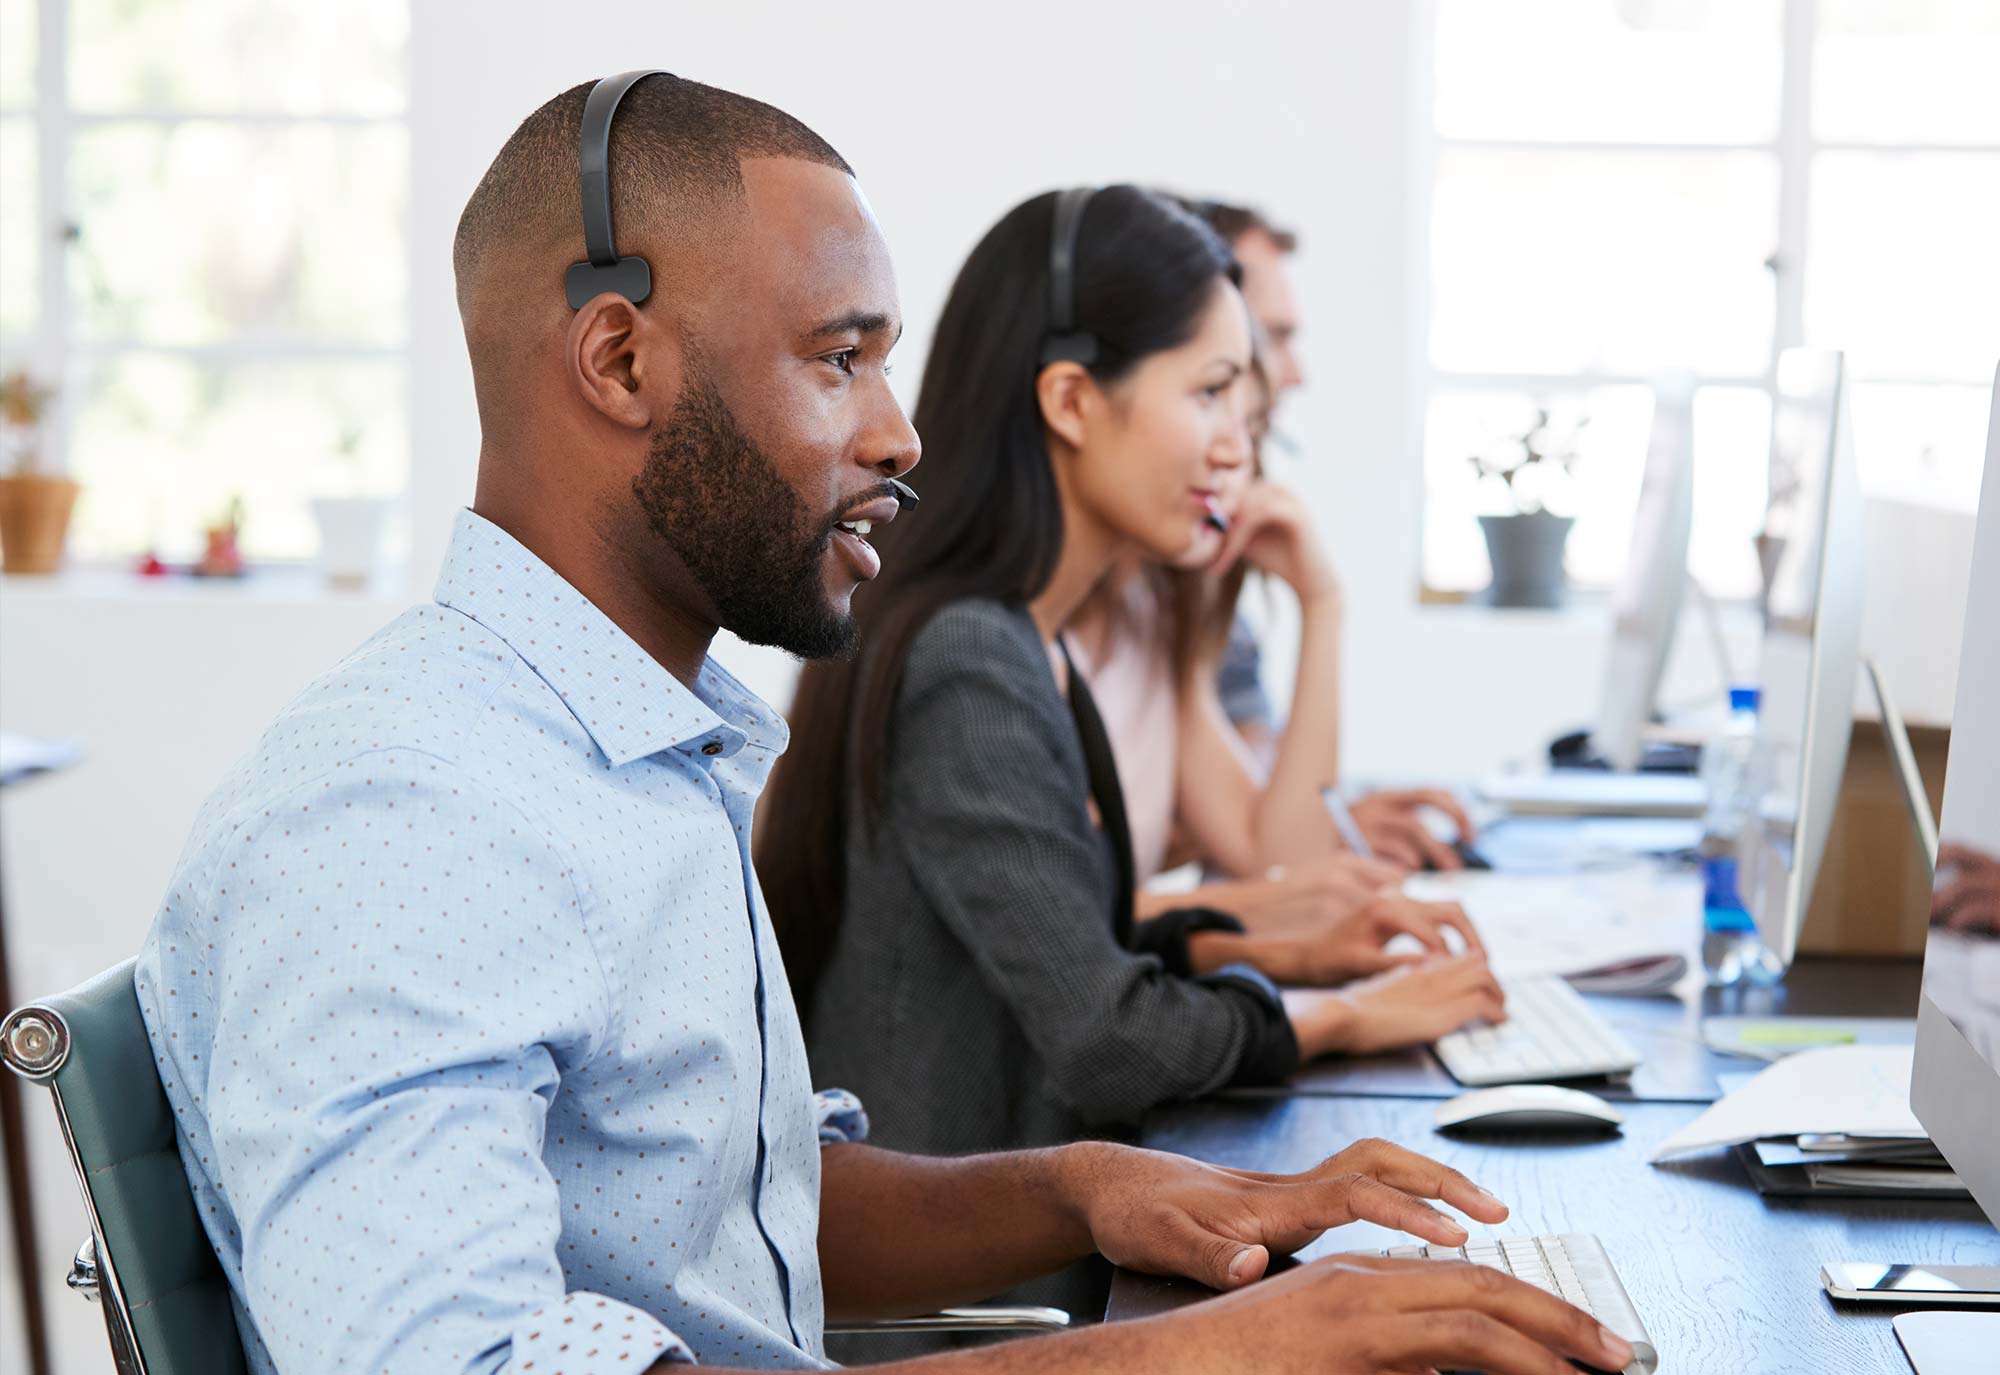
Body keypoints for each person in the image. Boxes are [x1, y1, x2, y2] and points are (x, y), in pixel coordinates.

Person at [133, 75, 1629, 1375]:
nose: (900, 430)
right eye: (838, 358)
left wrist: (1086, 1186)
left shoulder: (637, 755)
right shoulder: (409, 808)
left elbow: (738, 1202)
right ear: (620, 360)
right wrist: (1196, 1346)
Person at [763, 187, 1505, 1167]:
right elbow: (1106, 1038)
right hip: (979, 1288)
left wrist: (1268, 952)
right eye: (1207, 394)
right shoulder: (969, 656)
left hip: (1029, 1217)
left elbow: (1076, 940)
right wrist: (1338, 1016)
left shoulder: (1030, 636)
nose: (1238, 444)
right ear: (1069, 400)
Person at [1170, 199, 1480, 874]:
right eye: (1271, 340)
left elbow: (1266, 834)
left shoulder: (1183, 575)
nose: (1292, 373)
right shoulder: (1018, 631)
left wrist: (1324, 601)